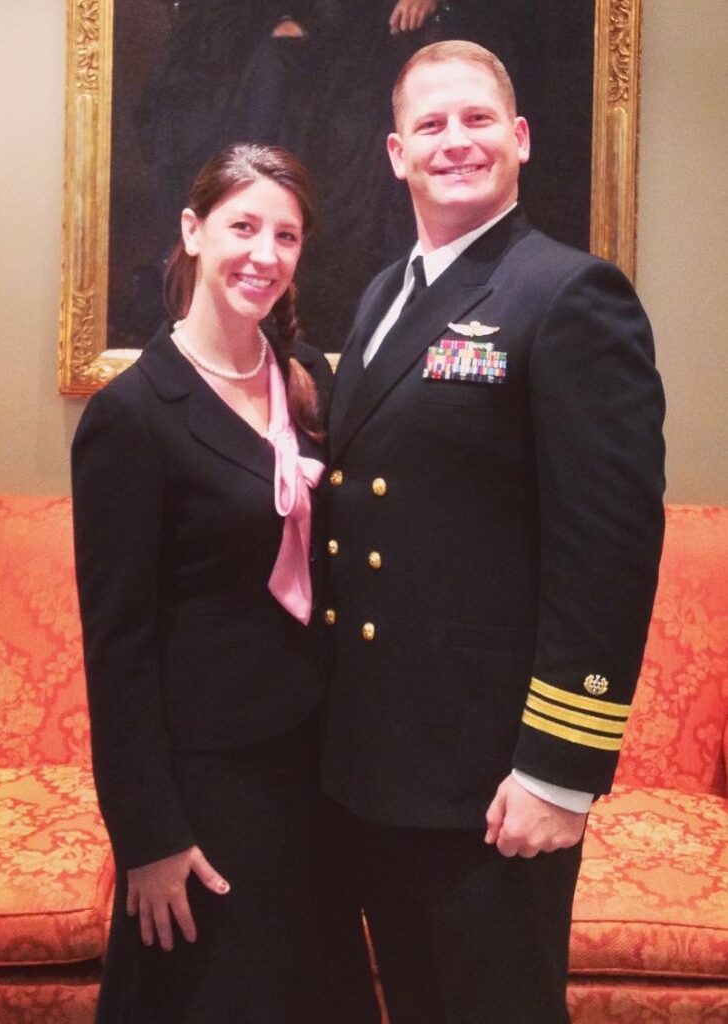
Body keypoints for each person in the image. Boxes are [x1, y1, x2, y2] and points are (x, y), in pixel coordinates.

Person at [321, 41, 666, 1024]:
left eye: (475, 119)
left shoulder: (567, 294)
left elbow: (605, 552)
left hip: (490, 775)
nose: (453, 141)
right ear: (395, 153)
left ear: (518, 140)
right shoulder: (383, 296)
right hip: (377, 763)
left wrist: (557, 770)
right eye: (428, 125)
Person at [72, 142, 377, 1024]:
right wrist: (149, 836)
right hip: (206, 791)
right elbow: (116, 646)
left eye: (285, 236)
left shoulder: (304, 379)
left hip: (313, 776)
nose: (264, 254)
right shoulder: (132, 416)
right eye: (243, 226)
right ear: (192, 231)